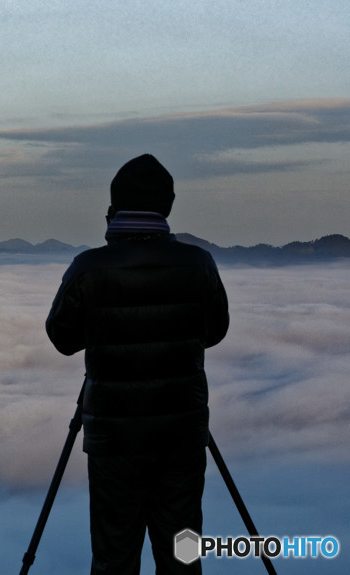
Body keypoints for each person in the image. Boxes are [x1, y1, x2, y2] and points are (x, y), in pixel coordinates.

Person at [45, 154, 229, 574]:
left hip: (114, 440)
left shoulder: (88, 268)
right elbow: (215, 331)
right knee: (182, 554)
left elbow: (61, 338)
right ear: (167, 205)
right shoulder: (198, 264)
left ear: (114, 207)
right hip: (181, 434)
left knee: (114, 556)